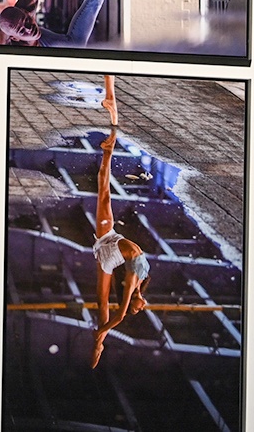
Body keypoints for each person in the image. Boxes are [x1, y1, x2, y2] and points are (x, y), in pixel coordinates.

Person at [89, 75, 150, 368]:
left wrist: (103, 331)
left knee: (104, 190)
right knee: (103, 190)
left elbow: (121, 313)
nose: (143, 307)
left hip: (109, 244)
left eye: (142, 310)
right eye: (143, 308)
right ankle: (109, 145)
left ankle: (109, 149)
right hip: (109, 248)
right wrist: (100, 340)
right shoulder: (142, 278)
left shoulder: (132, 282)